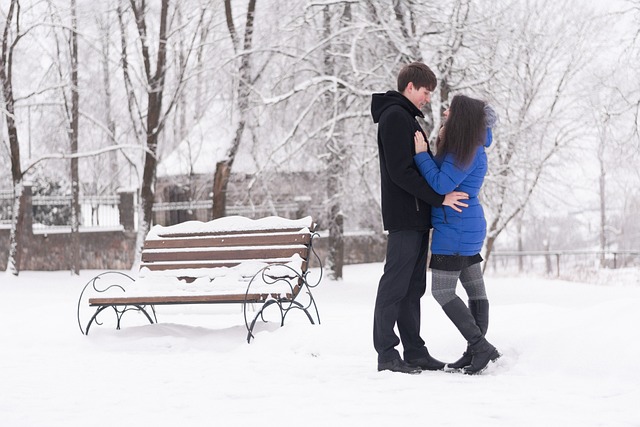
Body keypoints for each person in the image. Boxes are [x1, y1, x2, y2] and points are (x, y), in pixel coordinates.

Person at [371, 62, 470, 374]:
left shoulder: (406, 118)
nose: (428, 98)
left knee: (413, 287)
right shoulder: (394, 117)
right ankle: (387, 354)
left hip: (416, 216)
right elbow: (401, 172)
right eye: (426, 92)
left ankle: (414, 350)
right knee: (394, 285)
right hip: (404, 216)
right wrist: (439, 197)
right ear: (410, 86)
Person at [413, 94, 501, 375]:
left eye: (451, 108)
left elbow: (440, 183)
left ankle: (479, 345)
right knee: (475, 290)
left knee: (441, 291)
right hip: (466, 225)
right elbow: (447, 175)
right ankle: (476, 350)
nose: (446, 110)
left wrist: (421, 155)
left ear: (461, 116)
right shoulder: (468, 147)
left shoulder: (466, 150)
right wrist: (439, 145)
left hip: (455, 228)